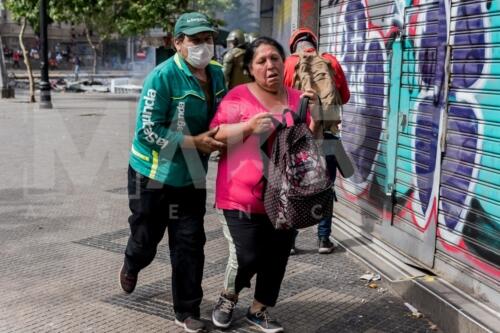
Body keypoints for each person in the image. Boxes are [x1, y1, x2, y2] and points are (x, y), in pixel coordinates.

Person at [119, 12, 227, 333]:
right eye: (195, 40)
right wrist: (193, 142)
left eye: (208, 39)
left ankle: (187, 310)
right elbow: (146, 131)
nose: (203, 46)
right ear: (178, 43)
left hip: (191, 176)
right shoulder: (162, 77)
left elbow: (224, 114)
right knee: (145, 240)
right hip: (152, 175)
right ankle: (132, 261)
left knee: (190, 243)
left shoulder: (218, 74)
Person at [210, 36, 319, 333]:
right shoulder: (237, 97)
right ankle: (227, 298)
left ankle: (259, 309)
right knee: (247, 255)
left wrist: (317, 113)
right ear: (249, 68)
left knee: (278, 254)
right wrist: (247, 127)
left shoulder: (298, 98)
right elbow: (216, 135)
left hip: (287, 196)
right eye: (261, 60)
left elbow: (309, 140)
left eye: (274, 58)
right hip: (240, 194)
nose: (270, 65)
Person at [284, 27, 350, 255]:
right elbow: (346, 96)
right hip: (328, 135)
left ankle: (290, 241)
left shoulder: (289, 64)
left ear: (294, 46)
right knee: (326, 186)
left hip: (300, 136)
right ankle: (323, 240)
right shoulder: (330, 61)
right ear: (313, 41)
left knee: (295, 185)